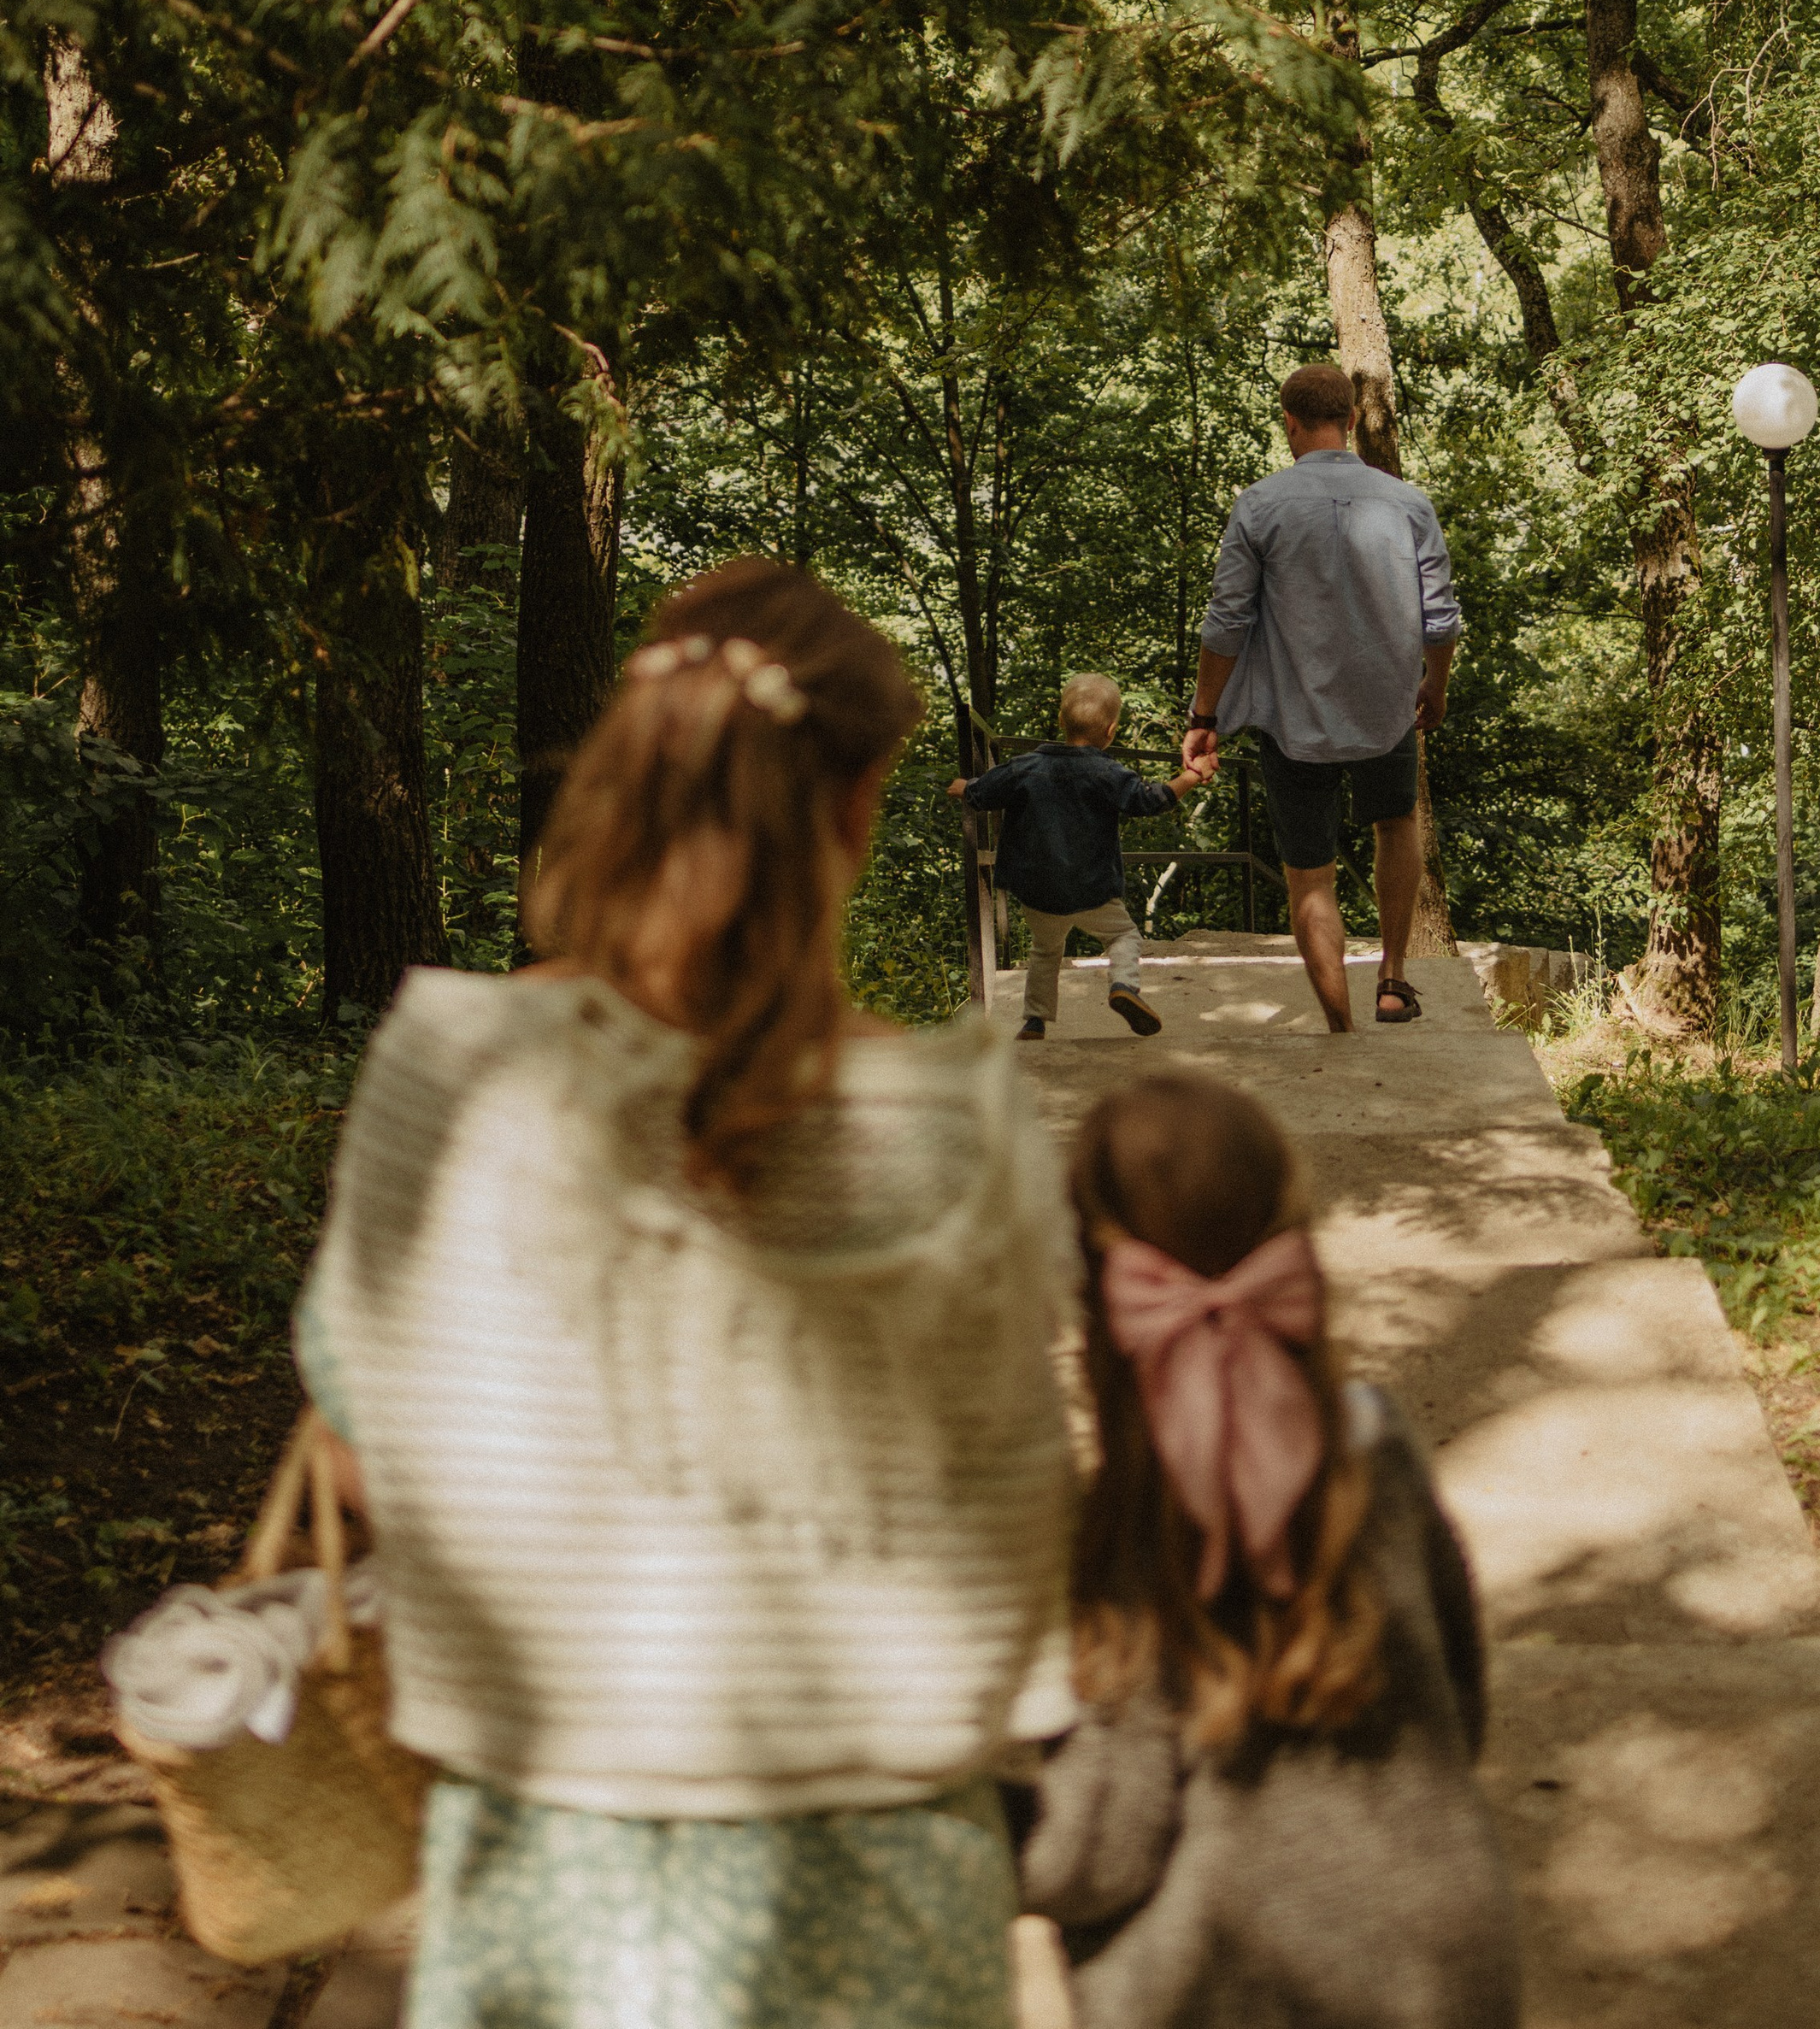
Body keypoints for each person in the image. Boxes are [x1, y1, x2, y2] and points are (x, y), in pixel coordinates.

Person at [292, 560, 1076, 2029]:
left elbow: (362, 1451)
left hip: (550, 1853)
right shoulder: (962, 1121)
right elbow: (1010, 1493)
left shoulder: (447, 1075)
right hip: (895, 1862)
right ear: (852, 808)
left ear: (633, 771)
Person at [1016, 1070, 1519, 2029]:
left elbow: (1101, 1854)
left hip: (1230, 1987)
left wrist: (1000, 1819)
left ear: (1102, 1301)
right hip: (1448, 1958)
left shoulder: (1134, 1527)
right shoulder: (1381, 1449)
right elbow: (1462, 1702)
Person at [1184, 365, 1458, 1032]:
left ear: (1289, 423)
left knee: (1311, 876)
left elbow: (1227, 624)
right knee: (1395, 827)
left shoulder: (1259, 505)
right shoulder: (1407, 503)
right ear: (1354, 419)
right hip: (1386, 707)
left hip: (1292, 717)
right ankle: (1393, 981)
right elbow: (1441, 621)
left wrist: (1204, 717)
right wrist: (1435, 687)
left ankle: (1341, 1027)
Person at [950, 673, 1213, 1044]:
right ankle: (1124, 985)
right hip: (1092, 890)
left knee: (1045, 950)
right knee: (1123, 934)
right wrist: (1189, 776)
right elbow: (1149, 800)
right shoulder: (1108, 773)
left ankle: (1034, 1022)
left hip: (1037, 893)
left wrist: (965, 788)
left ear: (1060, 721)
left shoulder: (1025, 766)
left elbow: (985, 791)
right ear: (1111, 730)